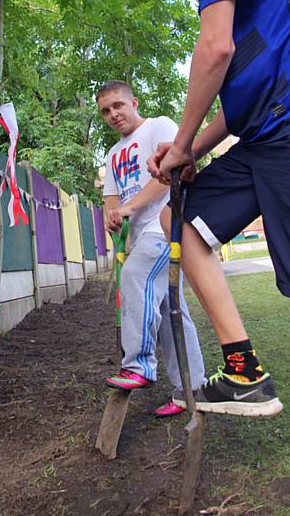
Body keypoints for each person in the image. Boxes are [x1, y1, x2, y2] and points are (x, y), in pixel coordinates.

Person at [101, 0, 290, 515]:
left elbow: (216, 48)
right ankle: (244, 371)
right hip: (263, 137)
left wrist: (180, 141)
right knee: (178, 221)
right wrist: (188, 155)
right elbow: (237, 100)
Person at [97, 80, 206, 416]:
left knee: (135, 277)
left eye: (118, 105)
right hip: (140, 235)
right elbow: (111, 198)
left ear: (134, 103)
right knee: (173, 311)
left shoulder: (159, 126)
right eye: (105, 111)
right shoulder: (114, 153)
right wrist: (113, 215)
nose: (113, 114)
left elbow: (170, 175)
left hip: (168, 223)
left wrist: (130, 207)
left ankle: (140, 365)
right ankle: (191, 389)